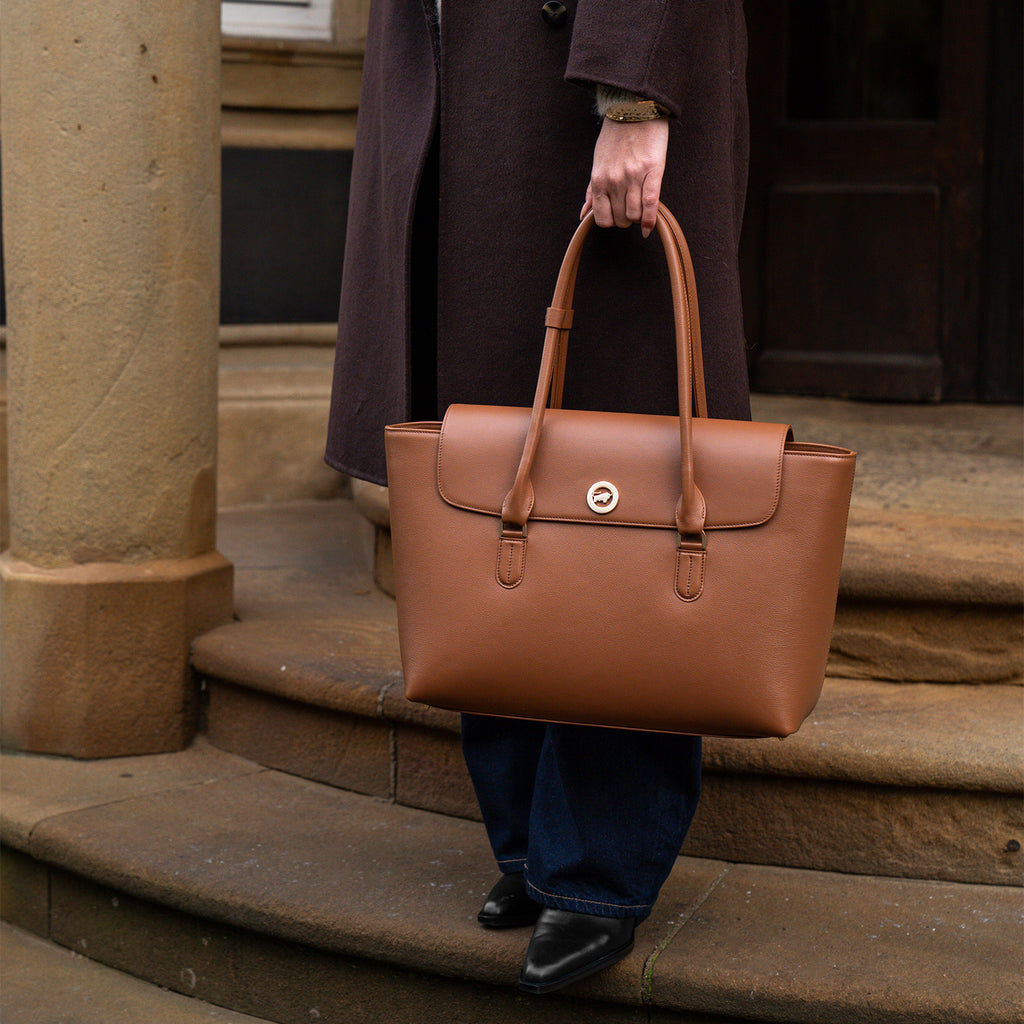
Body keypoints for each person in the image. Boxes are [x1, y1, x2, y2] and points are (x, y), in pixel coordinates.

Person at [326, 0, 750, 996]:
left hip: (570, 88)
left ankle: (598, 863)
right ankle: (528, 839)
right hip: (458, 75)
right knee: (489, 477)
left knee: (623, 484)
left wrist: (635, 92)